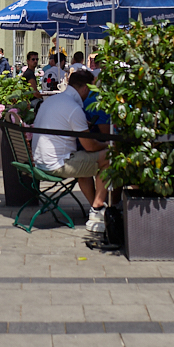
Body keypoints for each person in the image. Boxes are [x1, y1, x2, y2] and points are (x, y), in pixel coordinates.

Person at [31, 69, 109, 232]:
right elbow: (91, 146)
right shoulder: (73, 107)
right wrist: (108, 145)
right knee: (109, 158)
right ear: (86, 88)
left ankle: (95, 207)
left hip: (40, 162)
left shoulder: (53, 100)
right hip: (57, 164)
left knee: (85, 160)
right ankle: (98, 207)